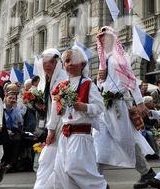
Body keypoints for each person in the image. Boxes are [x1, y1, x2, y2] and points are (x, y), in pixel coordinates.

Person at [94, 26, 155, 189]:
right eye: (101, 38)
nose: (103, 40)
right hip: (105, 106)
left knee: (125, 140)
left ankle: (146, 172)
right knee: (99, 140)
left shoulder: (120, 56)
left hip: (120, 105)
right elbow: (102, 84)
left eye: (106, 37)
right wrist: (99, 79)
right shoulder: (102, 60)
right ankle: (96, 180)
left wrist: (140, 102)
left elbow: (131, 80)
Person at [46, 46, 107, 189]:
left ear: (82, 64)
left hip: (81, 134)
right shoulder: (61, 86)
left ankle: (101, 186)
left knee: (75, 168)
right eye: (67, 61)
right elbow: (55, 111)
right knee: (62, 172)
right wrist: (51, 130)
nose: (70, 64)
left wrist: (84, 106)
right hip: (65, 135)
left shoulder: (88, 84)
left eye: (74, 61)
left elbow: (99, 107)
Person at [33, 48, 68, 189]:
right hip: (52, 124)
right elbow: (48, 105)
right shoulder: (45, 80)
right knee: (51, 160)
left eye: (51, 62)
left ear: (58, 63)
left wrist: (51, 129)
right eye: (45, 62)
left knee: (54, 160)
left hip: (61, 125)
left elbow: (58, 107)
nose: (47, 65)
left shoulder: (62, 79)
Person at [2, 93, 24, 171]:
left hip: (14, 129)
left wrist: (16, 109)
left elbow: (20, 121)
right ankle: (4, 162)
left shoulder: (16, 108)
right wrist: (6, 131)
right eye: (10, 98)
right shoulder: (1, 108)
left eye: (14, 99)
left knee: (17, 139)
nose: (12, 100)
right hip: (3, 129)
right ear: (5, 98)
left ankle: (12, 164)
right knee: (6, 140)